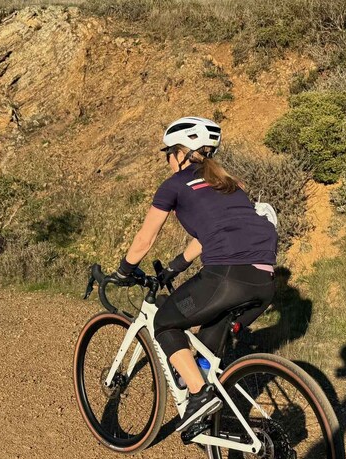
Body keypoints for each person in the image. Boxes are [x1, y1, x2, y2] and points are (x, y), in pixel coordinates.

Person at [109, 116, 278, 441]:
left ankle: (200, 399)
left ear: (180, 153)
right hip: (265, 282)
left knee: (167, 324)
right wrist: (173, 268)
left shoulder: (174, 185)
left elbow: (145, 238)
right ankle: (216, 412)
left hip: (228, 276)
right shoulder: (229, 183)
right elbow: (204, 238)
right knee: (206, 354)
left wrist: (123, 271)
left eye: (167, 153)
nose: (167, 160)